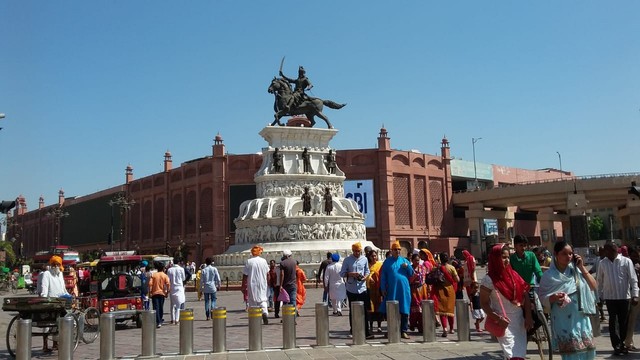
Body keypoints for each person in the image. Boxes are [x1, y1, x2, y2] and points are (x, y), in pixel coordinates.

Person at [539, 240, 597, 359]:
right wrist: (552, 298)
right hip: (563, 320)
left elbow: (593, 286)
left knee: (587, 353)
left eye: (570, 253)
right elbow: (541, 298)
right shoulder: (548, 276)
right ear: (556, 254)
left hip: (581, 318)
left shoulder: (577, 271)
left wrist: (581, 267)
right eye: (564, 254)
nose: (568, 256)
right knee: (571, 354)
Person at [480, 244, 533, 360]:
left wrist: (528, 317)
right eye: (503, 257)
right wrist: (497, 318)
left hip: (519, 321)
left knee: (519, 355)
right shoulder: (488, 280)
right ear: (495, 258)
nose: (507, 260)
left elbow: (526, 296)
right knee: (513, 355)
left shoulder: (514, 275)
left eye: (508, 257)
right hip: (504, 323)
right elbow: (483, 303)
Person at [597, 242, 639, 355]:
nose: (613, 252)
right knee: (613, 322)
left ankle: (623, 343)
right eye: (609, 250)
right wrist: (599, 297)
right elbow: (599, 282)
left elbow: (633, 279)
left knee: (623, 322)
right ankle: (617, 345)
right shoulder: (602, 263)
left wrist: (635, 295)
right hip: (610, 298)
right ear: (606, 252)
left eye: (615, 250)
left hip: (624, 297)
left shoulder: (626, 261)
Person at [380, 241, 414, 339]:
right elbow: (383, 276)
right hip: (392, 289)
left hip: (404, 289)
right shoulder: (387, 262)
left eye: (399, 249)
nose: (398, 251)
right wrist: (382, 288)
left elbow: (411, 273)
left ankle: (403, 331)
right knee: (391, 310)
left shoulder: (405, 261)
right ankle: (392, 330)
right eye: (395, 249)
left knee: (404, 309)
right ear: (392, 250)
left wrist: (407, 267)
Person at [340, 242, 374, 339]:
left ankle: (366, 331)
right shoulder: (347, 260)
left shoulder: (364, 259)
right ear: (352, 251)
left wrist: (365, 277)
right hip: (351, 288)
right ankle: (353, 330)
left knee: (364, 310)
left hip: (362, 288)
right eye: (355, 251)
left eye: (358, 251)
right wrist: (351, 274)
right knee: (353, 310)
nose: (357, 253)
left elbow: (367, 271)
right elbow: (342, 273)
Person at [40, 256, 69, 352]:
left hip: (60, 302)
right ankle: (45, 345)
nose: (55, 266)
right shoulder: (47, 274)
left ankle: (55, 343)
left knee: (60, 323)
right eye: (54, 264)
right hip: (50, 302)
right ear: (51, 265)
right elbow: (44, 288)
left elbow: (63, 288)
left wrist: (69, 296)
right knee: (48, 324)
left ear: (60, 265)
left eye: (57, 264)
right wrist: (44, 299)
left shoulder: (60, 274)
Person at [434, 252, 460, 337]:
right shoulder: (451, 268)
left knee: (442, 311)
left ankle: (444, 328)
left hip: (440, 289)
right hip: (450, 290)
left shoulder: (437, 268)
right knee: (450, 310)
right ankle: (451, 329)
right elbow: (457, 280)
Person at [243, 246, 270, 324]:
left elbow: (245, 275)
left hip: (252, 283)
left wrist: (243, 285)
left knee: (252, 299)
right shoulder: (263, 261)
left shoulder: (249, 261)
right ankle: (264, 312)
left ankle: (255, 317)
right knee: (263, 298)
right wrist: (268, 282)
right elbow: (268, 273)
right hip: (262, 282)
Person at [409, 253, 429, 332]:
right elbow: (408, 280)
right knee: (415, 308)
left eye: (418, 260)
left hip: (422, 290)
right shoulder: (410, 269)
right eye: (415, 260)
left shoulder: (423, 268)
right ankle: (413, 324)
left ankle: (421, 326)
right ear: (412, 261)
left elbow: (426, 278)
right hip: (413, 290)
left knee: (422, 309)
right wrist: (414, 278)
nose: (417, 262)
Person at [625, 247, 640, 351]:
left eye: (638, 256)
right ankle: (628, 343)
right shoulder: (628, 265)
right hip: (634, 295)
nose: (636, 258)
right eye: (634, 255)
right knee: (632, 319)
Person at [366, 249, 383, 333]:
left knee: (379, 307)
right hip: (370, 289)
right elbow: (365, 274)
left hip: (378, 288)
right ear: (369, 257)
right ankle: (371, 326)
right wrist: (369, 277)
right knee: (371, 308)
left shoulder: (380, 264)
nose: (374, 257)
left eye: (375, 256)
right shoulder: (367, 265)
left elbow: (382, 274)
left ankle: (379, 326)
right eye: (372, 256)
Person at [148, 262, 170, 328]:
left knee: (156, 307)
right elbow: (168, 284)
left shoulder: (154, 275)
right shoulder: (164, 275)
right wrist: (167, 292)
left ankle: (158, 321)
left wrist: (150, 292)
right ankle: (160, 319)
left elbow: (150, 284)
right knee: (161, 307)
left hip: (154, 293)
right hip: (162, 293)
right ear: (163, 268)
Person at [167, 261, 186, 325]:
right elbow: (183, 278)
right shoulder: (181, 269)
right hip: (179, 287)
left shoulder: (169, 270)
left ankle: (173, 319)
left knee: (172, 305)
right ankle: (177, 320)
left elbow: (168, 279)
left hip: (172, 287)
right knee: (178, 305)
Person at [279, 250, 298, 315]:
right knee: (293, 301)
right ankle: (293, 317)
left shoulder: (282, 263)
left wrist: (280, 285)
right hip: (293, 284)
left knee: (285, 301)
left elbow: (282, 274)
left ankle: (286, 316)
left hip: (285, 285)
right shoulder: (294, 262)